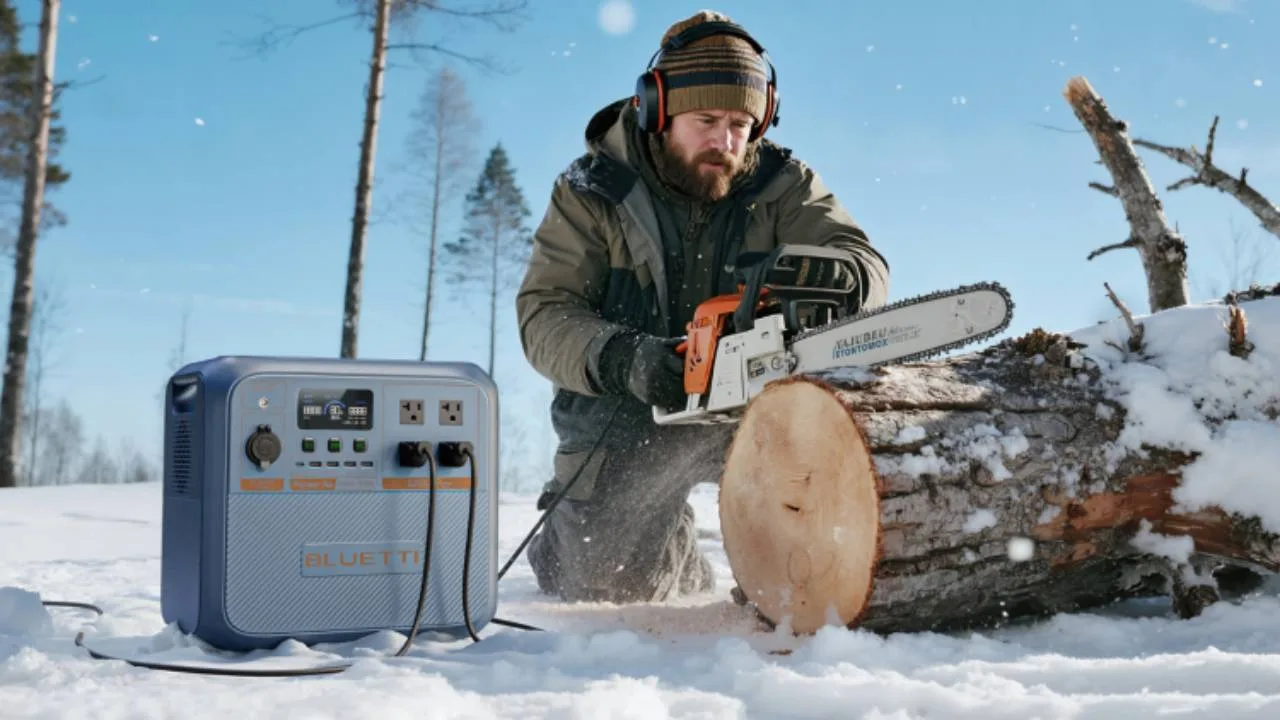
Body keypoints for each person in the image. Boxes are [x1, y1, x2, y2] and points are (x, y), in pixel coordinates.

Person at [514, 10, 891, 605]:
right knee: (600, 580)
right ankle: (632, 546)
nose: (725, 142)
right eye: (707, 121)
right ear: (658, 111)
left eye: (741, 124)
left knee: (820, 537)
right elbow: (545, 312)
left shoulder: (783, 182)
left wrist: (845, 276)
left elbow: (862, 258)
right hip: (631, 405)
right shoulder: (593, 188)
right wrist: (624, 357)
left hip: (759, 398)